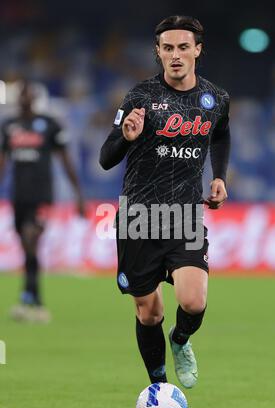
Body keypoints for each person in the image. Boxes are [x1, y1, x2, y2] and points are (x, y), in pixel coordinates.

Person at [100, 15, 230, 388]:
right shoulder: (139, 97)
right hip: (139, 217)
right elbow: (106, 158)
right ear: (158, 52)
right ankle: (158, 385)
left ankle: (180, 340)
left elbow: (221, 134)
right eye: (168, 48)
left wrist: (219, 175)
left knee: (193, 302)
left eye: (183, 47)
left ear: (197, 51)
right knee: (149, 312)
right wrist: (126, 137)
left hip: (185, 215)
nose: (176, 55)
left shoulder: (216, 98)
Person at [0, 81, 84, 322]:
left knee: (30, 240)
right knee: (27, 248)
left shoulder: (49, 125)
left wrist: (78, 194)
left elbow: (65, 160)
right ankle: (31, 299)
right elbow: (2, 163)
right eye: (21, 95)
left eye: (28, 95)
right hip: (19, 196)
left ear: (34, 98)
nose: (24, 99)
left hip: (42, 195)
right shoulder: (9, 126)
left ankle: (31, 299)